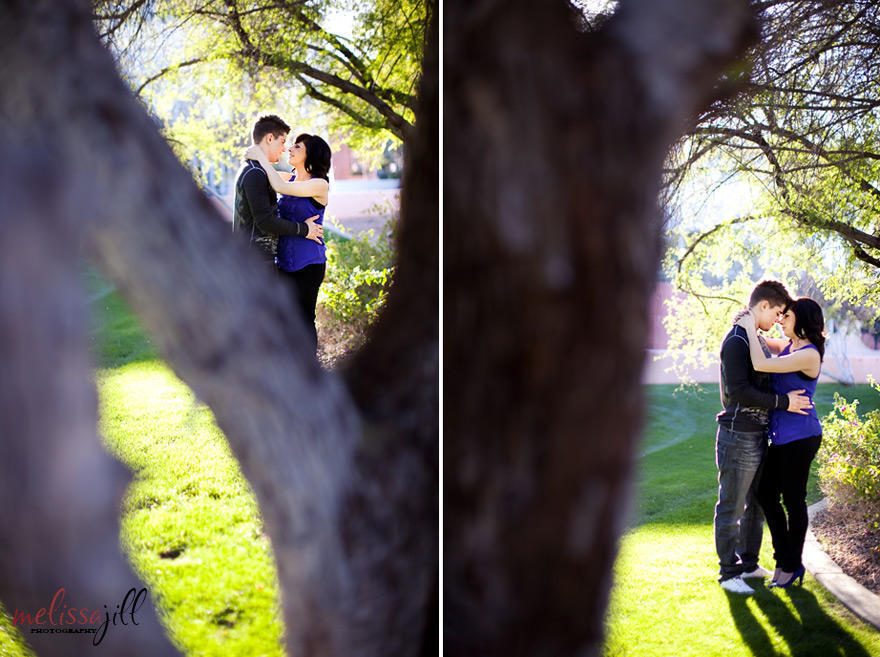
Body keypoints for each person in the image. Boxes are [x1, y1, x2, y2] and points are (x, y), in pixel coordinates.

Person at [714, 280, 813, 595]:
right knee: (732, 506)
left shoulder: (753, 338)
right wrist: (784, 403)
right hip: (738, 435)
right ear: (763, 306)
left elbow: (783, 357)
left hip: (758, 436)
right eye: (778, 312)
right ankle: (729, 573)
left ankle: (749, 564)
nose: (778, 320)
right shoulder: (737, 341)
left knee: (755, 505)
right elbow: (738, 390)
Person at [735, 297, 825, 589]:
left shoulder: (809, 355)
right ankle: (785, 558)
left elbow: (761, 362)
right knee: (765, 493)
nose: (781, 319)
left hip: (801, 438)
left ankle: (789, 565)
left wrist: (749, 326)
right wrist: (750, 321)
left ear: (801, 319)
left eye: (786, 315)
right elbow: (761, 339)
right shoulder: (789, 346)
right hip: (784, 438)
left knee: (793, 501)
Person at [245, 133, 331, 350]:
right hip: (283, 263)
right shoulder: (289, 177)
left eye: (297, 147)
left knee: (303, 320)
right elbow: (265, 175)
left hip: (309, 264)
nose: (290, 150)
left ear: (311, 154)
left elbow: (278, 186)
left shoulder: (319, 184)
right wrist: (257, 154)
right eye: (290, 145)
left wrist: (260, 157)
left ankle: (309, 375)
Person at [233, 115, 323, 268]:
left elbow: (284, 183)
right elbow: (265, 221)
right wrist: (304, 229)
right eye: (282, 142)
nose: (283, 149)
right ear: (269, 138)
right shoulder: (256, 172)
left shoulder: (256, 170)